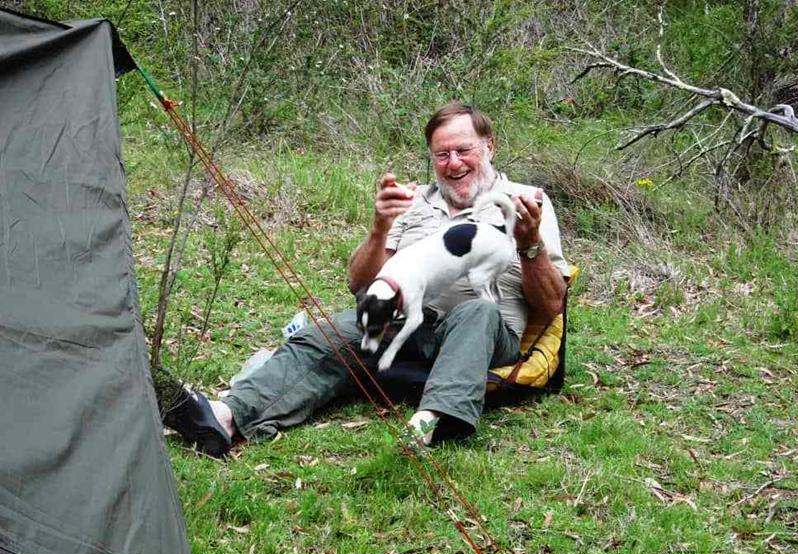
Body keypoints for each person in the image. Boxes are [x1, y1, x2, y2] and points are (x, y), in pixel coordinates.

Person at [164, 102, 569, 457]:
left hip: (481, 334)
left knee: (476, 310)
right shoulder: (414, 202)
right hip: (407, 324)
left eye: (464, 151)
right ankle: (223, 417)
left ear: (489, 147)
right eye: (442, 154)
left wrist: (529, 244)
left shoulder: (525, 201)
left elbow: (552, 305)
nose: (454, 163)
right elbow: (360, 284)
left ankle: (433, 421)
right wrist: (379, 228)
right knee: (329, 335)